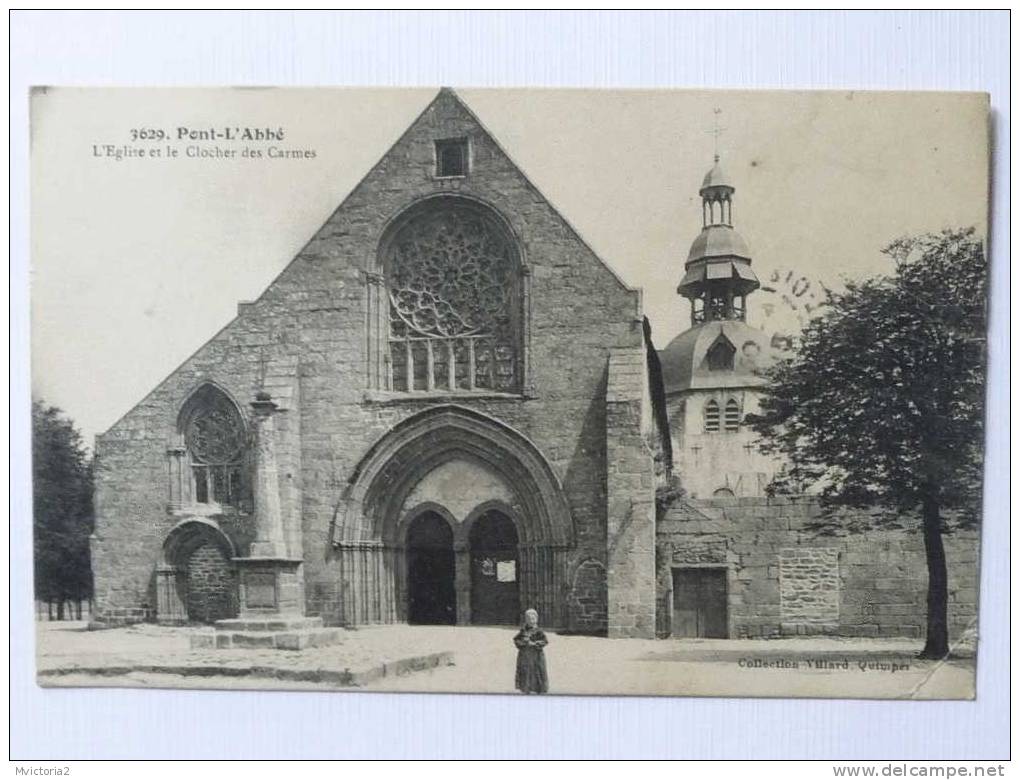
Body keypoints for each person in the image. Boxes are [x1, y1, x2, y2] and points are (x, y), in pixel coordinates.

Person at [513, 608, 549, 694]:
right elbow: (516, 639)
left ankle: (539, 688)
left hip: (536, 656)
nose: (531, 621)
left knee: (537, 671)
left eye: (533, 619)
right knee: (526, 671)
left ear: (536, 619)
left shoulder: (539, 631)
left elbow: (545, 641)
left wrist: (536, 643)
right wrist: (523, 643)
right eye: (528, 619)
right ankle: (525, 687)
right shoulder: (523, 631)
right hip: (525, 655)